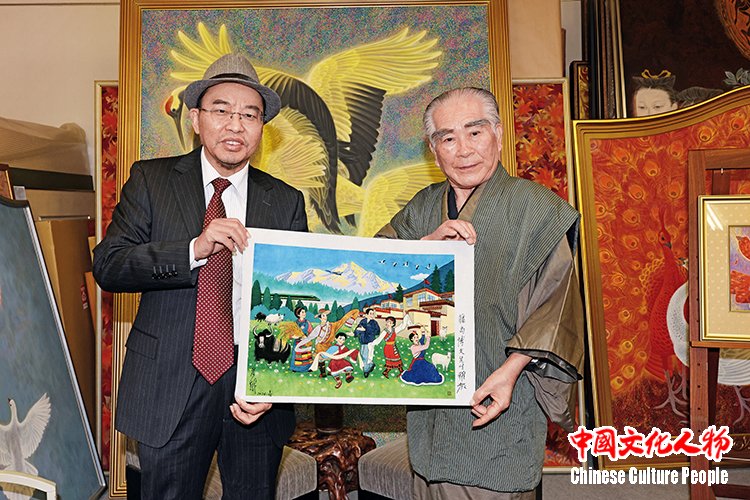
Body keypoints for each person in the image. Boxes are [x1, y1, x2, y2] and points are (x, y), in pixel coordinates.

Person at [93, 53, 308, 499]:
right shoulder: (151, 180)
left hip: (253, 388)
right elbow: (109, 265)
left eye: (249, 115)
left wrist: (274, 382)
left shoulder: (286, 200)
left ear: (262, 127)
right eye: (221, 110)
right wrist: (193, 249)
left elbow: (296, 301)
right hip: (171, 381)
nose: (235, 125)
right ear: (195, 119)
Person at [378, 87, 583, 498]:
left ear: (498, 135)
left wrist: (510, 373)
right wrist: (424, 249)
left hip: (501, 395)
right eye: (448, 137)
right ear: (434, 150)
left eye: (475, 132)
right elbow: (374, 271)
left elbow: (556, 306)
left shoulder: (536, 208)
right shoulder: (422, 207)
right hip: (430, 410)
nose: (463, 149)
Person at [354, 307, 380, 377]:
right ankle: (371, 364)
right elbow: (358, 329)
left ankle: (366, 370)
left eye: (373, 314)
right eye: (370, 313)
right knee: (363, 355)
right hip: (362, 340)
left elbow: (377, 332)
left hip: (369, 341)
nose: (372, 315)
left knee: (366, 356)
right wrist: (355, 333)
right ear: (367, 314)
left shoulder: (374, 323)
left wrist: (366, 329)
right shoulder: (363, 321)